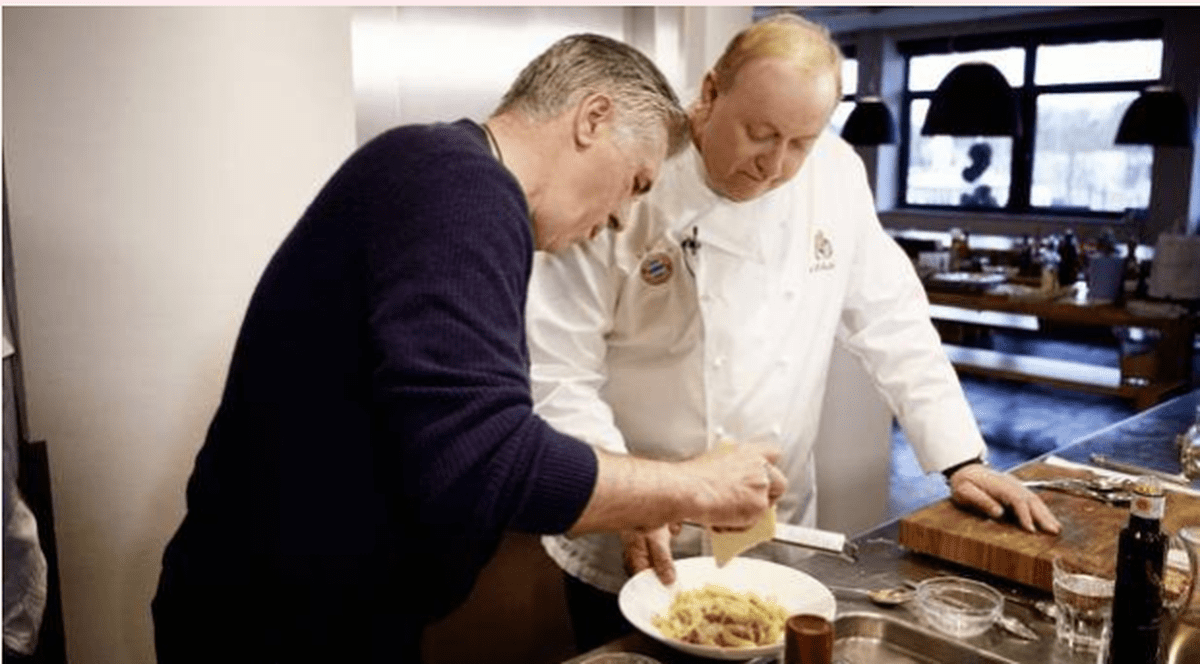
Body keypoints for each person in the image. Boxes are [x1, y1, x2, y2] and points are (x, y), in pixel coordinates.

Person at [151, 33, 788, 664]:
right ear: (593, 119)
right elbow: (482, 460)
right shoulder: (461, 188)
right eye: (636, 182)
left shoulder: (440, 174)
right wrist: (692, 487)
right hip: (277, 628)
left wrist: (634, 497)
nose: (622, 216)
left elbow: (459, 432)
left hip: (327, 612)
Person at [526, 15, 1063, 652]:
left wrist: (960, 459)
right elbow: (560, 373)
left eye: (800, 142)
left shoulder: (834, 175)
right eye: (759, 134)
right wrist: (629, 496)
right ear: (709, 92)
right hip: (631, 522)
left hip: (762, 521)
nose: (775, 165)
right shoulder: (634, 172)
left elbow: (892, 321)